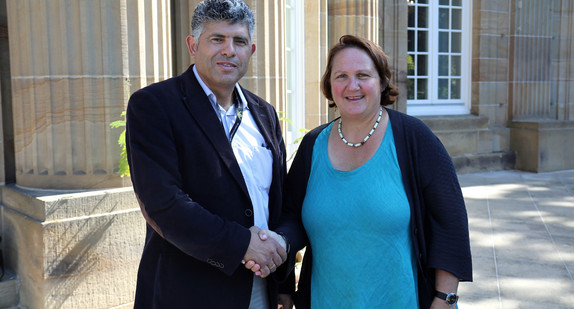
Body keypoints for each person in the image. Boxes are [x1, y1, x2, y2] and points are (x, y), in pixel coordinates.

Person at [272, 35, 473, 308]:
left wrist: (445, 298)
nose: (352, 85)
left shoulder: (414, 139)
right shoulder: (313, 145)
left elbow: (450, 223)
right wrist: (283, 282)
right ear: (329, 85)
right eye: (341, 75)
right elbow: (291, 216)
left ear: (381, 81)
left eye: (363, 75)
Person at [125, 0, 288, 308]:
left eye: (239, 41)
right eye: (217, 39)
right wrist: (242, 244)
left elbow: (278, 203)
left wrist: (283, 282)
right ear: (193, 45)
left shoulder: (265, 113)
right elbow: (163, 205)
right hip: (189, 291)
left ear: (251, 51)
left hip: (258, 288)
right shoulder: (155, 106)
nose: (229, 50)